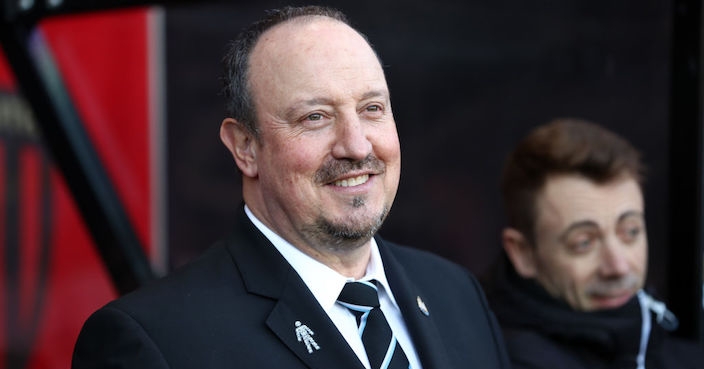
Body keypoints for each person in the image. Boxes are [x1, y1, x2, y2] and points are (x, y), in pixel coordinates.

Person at [71, 5, 510, 369]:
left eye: (372, 108)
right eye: (315, 117)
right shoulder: (155, 342)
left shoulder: (456, 295)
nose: (357, 146)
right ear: (245, 147)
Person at [484, 118, 704, 368]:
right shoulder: (497, 357)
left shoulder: (672, 348)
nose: (618, 266)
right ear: (523, 254)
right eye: (584, 243)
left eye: (630, 232)